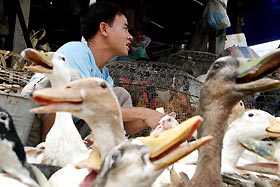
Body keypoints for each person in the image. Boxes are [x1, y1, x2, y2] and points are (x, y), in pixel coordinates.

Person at [23, 1, 164, 145]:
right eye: (125, 29)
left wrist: (158, 119)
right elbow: (82, 104)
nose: (130, 37)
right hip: (37, 130)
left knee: (119, 96)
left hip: (72, 129)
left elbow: (126, 125)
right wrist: (143, 113)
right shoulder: (76, 50)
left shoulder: (105, 77)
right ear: (104, 29)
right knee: (73, 85)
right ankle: (50, 147)